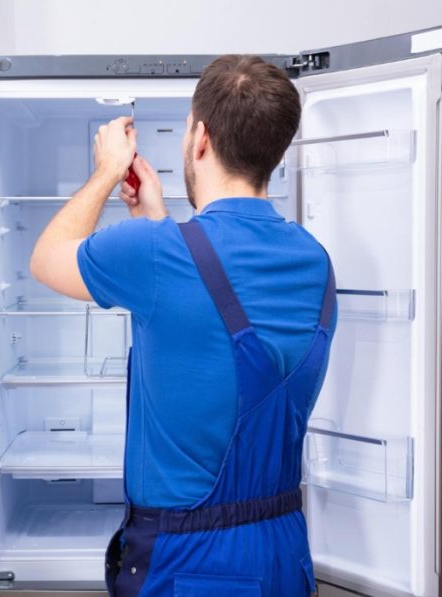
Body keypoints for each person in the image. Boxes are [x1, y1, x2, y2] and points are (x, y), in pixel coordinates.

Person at [30, 55, 336, 596]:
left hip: (188, 560)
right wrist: (154, 218)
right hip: (283, 550)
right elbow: (201, 324)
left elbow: (48, 258)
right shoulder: (315, 262)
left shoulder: (155, 255)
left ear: (199, 139)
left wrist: (105, 171)